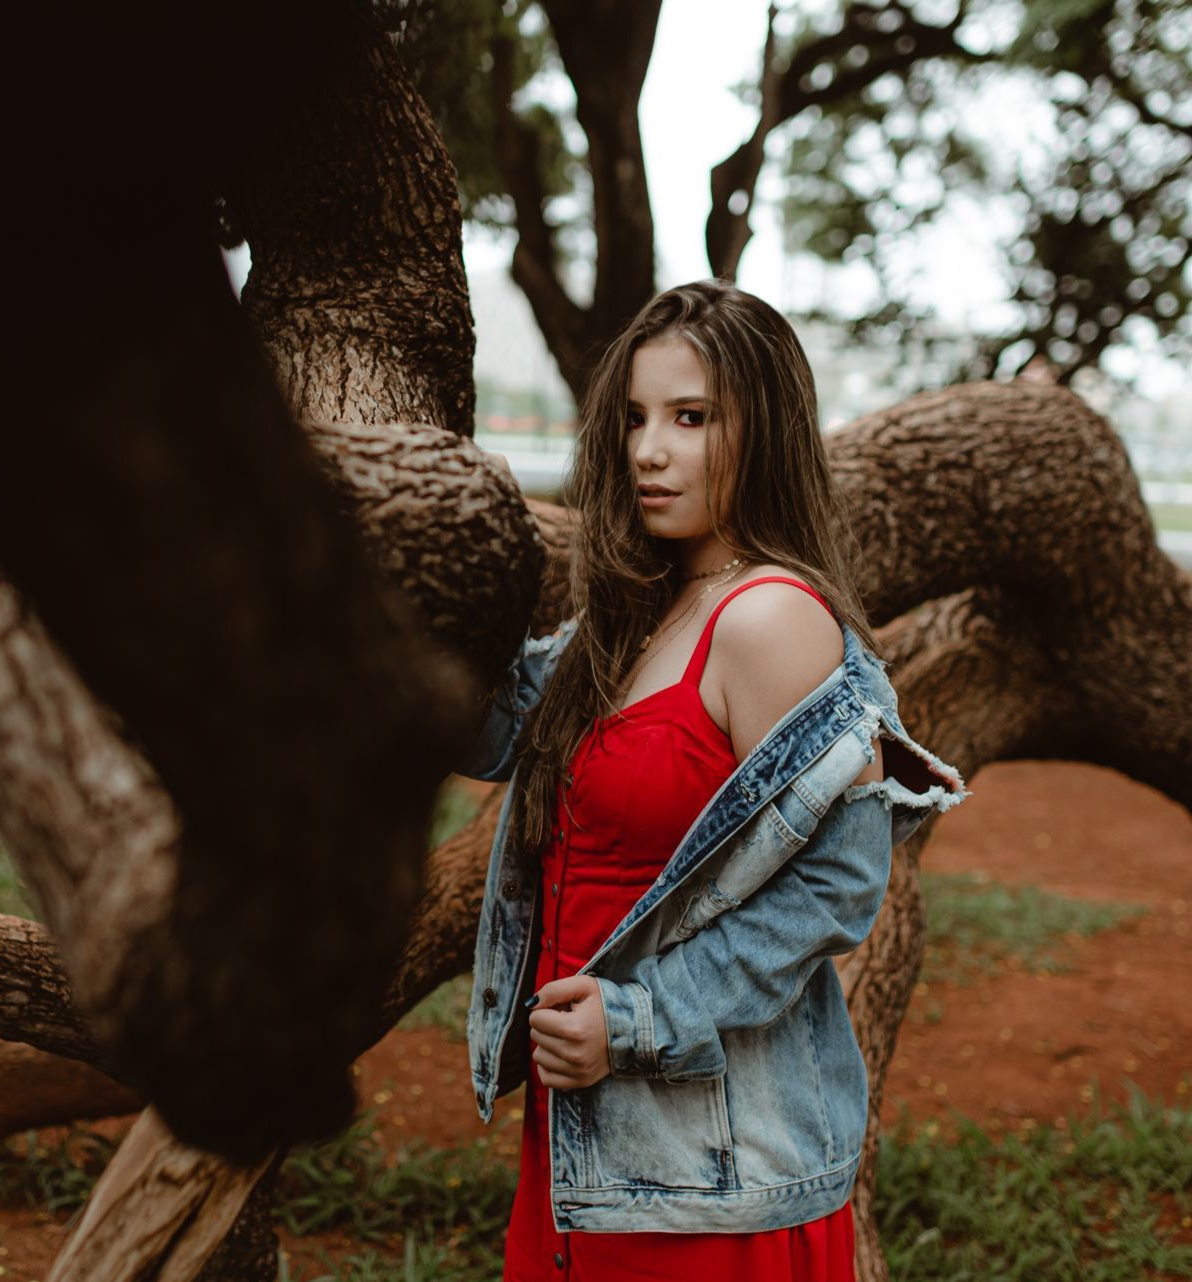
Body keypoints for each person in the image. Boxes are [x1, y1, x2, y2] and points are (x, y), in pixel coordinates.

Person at [458, 280, 966, 1281]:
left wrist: (637, 1021)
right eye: (636, 419)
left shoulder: (772, 620)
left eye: (691, 419)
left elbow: (838, 886)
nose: (649, 450)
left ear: (763, 431)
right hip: (587, 1129)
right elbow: (488, 731)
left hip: (705, 1164)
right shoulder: (636, 609)